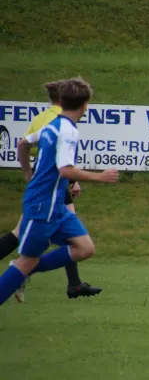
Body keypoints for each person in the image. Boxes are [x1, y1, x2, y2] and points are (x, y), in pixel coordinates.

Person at [0, 77, 119, 306]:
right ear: (85, 106)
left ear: (61, 101)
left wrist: (27, 173)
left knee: (85, 248)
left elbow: (23, 143)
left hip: (56, 206)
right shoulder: (68, 131)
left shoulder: (51, 126)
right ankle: (21, 271)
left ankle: (24, 271)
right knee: (27, 261)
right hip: (42, 204)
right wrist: (100, 177)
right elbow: (65, 170)